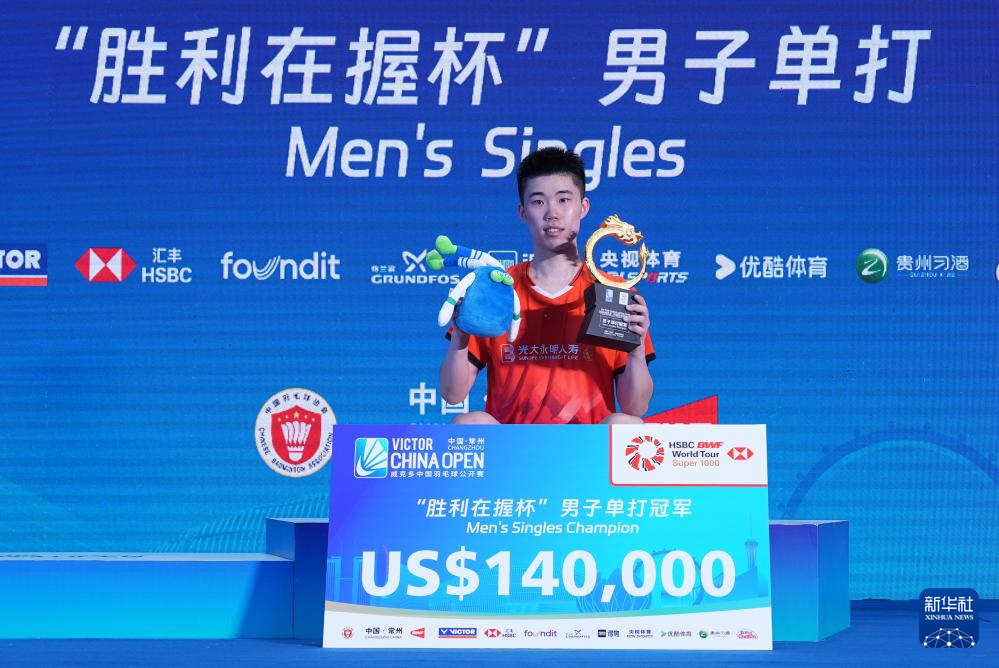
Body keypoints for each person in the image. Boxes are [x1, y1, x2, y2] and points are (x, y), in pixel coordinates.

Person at [439, 147, 654, 424]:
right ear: (522, 212)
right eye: (538, 202)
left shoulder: (614, 293)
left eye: (564, 200)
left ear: (583, 207)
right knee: (469, 423)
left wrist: (635, 350)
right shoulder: (497, 288)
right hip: (514, 446)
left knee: (627, 425)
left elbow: (635, 407)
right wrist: (460, 336)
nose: (552, 213)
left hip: (588, 446)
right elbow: (452, 394)